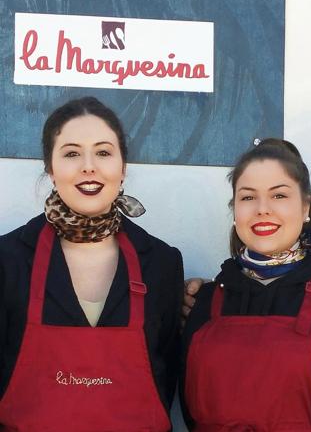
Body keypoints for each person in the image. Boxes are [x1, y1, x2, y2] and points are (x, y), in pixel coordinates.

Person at [0, 97, 183, 431]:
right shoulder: (8, 259)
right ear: (51, 170)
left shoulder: (161, 263)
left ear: (123, 168)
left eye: (103, 152)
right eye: (71, 153)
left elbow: (167, 373)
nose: (89, 166)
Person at [181, 139, 311, 431]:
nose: (262, 209)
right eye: (248, 197)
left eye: (279, 196)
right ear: (235, 210)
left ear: (305, 206)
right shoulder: (204, 301)